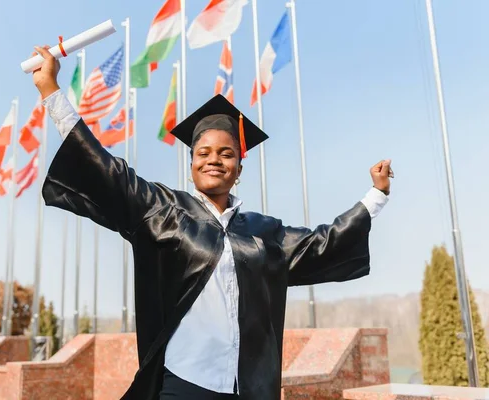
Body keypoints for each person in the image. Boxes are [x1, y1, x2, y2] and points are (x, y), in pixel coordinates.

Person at [31, 45, 392, 400]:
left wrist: (376, 196)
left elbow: (322, 243)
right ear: (191, 166)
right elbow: (107, 172)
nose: (214, 160)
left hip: (246, 387)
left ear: (239, 168)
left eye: (226, 153)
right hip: (184, 382)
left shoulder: (264, 232)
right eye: (203, 153)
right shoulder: (164, 210)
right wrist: (51, 92)